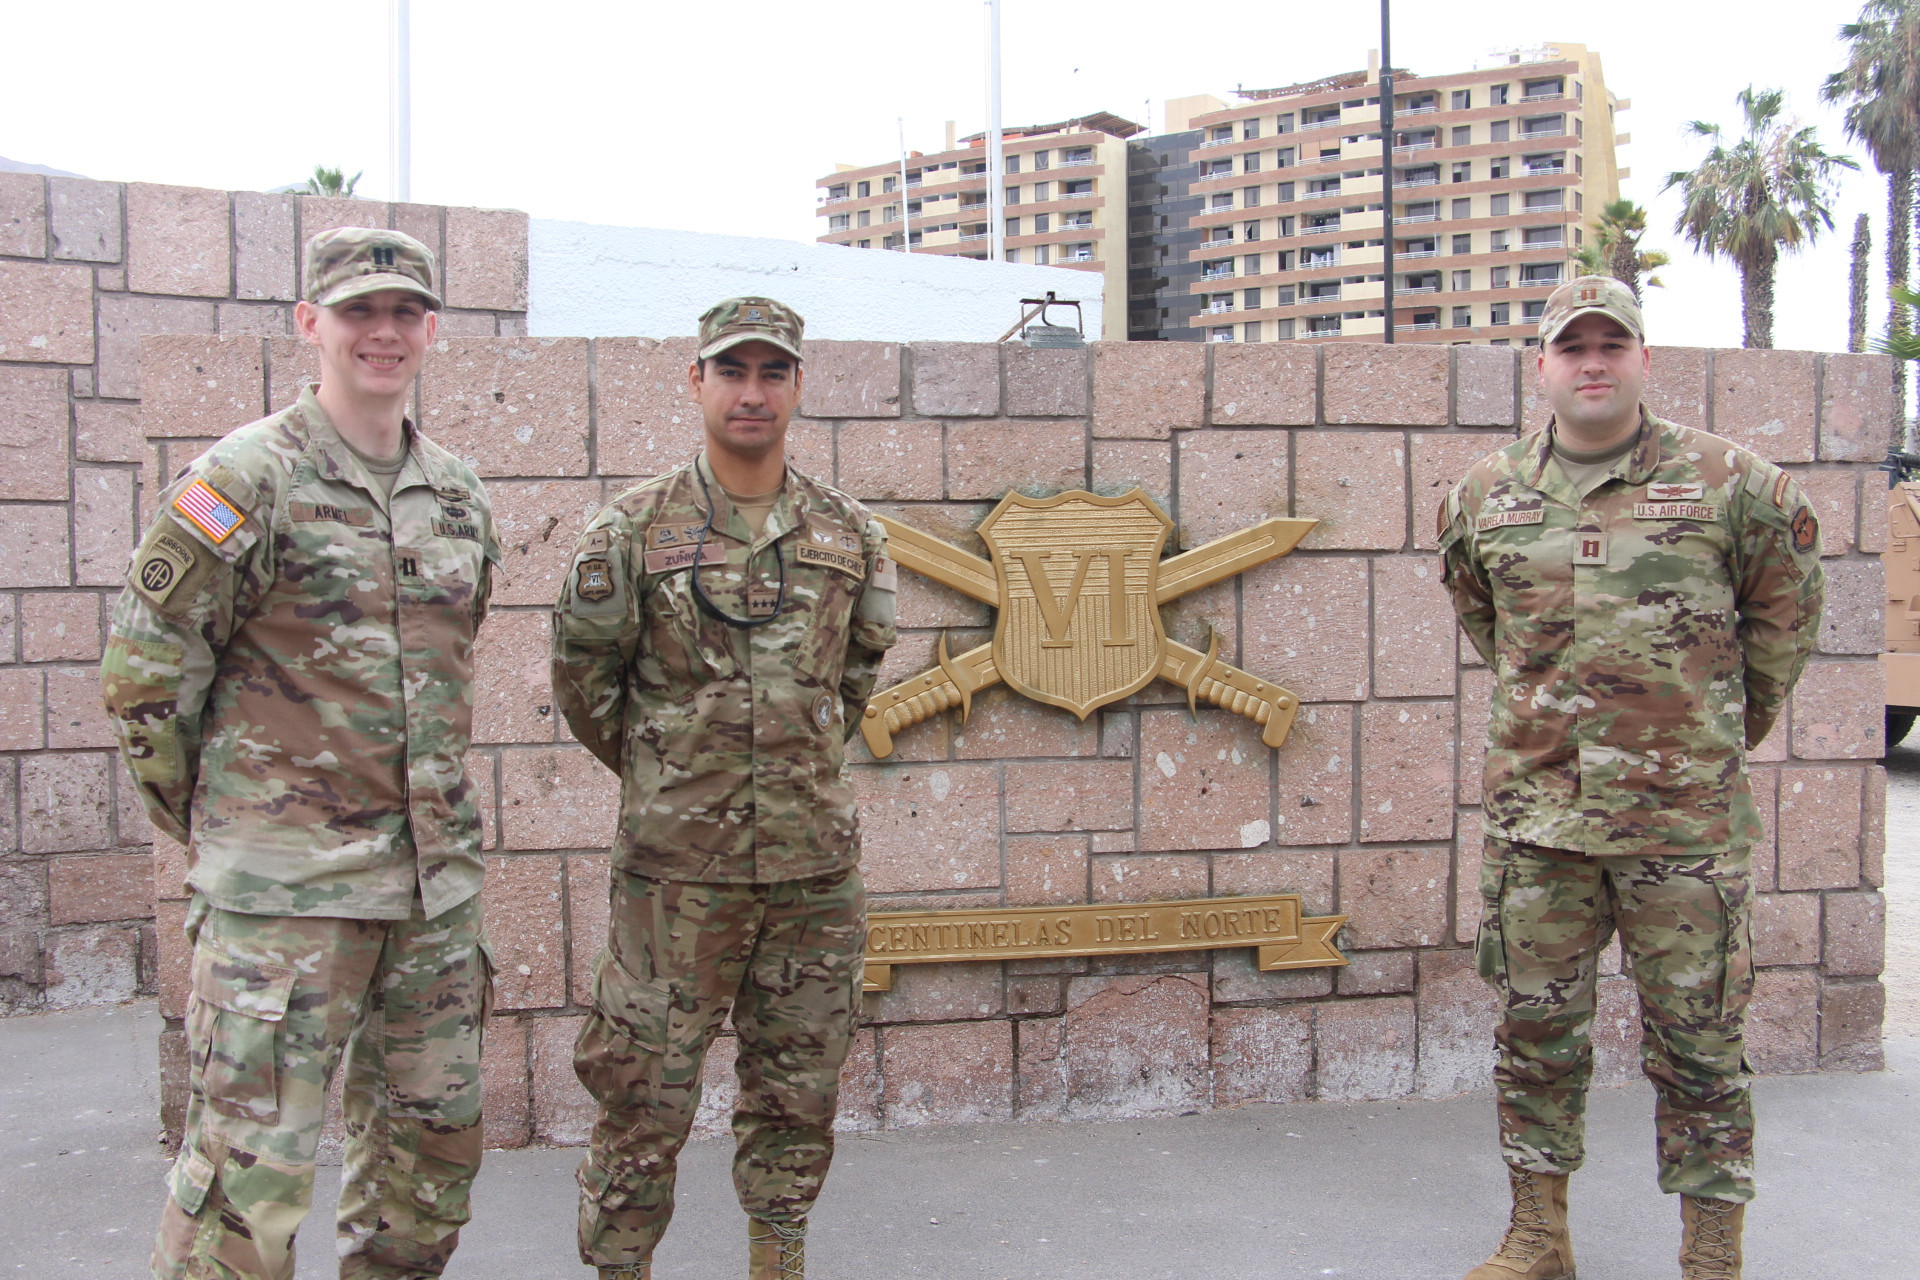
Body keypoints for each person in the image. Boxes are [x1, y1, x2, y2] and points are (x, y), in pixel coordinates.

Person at [103, 226, 501, 1280]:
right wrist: (233, 826)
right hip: (282, 904)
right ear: (310, 323)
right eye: (358, 310)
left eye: (403, 311)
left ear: (429, 330)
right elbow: (147, 678)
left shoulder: (459, 495)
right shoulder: (246, 478)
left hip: (431, 899)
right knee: (246, 1189)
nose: (383, 331)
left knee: (427, 1176)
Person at [1439, 276, 1823, 1280]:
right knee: (1535, 1039)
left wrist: (1714, 733)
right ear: (1544, 368)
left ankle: (1711, 1253)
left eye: (1614, 344)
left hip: (1683, 831)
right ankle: (1538, 1236)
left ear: (1645, 360)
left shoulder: (1738, 486)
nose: (1595, 362)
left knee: (1699, 1046)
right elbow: (1488, 621)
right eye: (1575, 347)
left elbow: (1784, 619)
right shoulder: (1485, 496)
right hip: (1540, 830)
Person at [551, 296, 897, 1280]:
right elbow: (585, 683)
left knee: (797, 1097)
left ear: (797, 384)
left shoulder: (851, 534)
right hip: (674, 884)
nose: (753, 391)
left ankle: (777, 1260)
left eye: (772, 371)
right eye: (732, 370)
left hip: (810, 877)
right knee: (641, 1095)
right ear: (696, 380)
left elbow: (857, 675)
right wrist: (673, 774)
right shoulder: (631, 528)